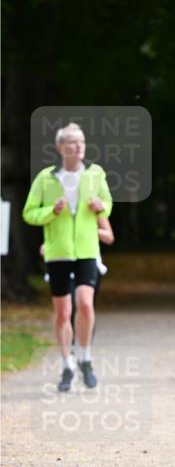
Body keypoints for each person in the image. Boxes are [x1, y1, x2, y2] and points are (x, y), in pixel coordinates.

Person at [23, 122, 112, 392]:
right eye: (73, 142)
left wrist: (101, 207)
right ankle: (67, 364)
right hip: (58, 252)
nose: (79, 146)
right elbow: (29, 213)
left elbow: (107, 205)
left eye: (82, 142)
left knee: (85, 303)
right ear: (61, 148)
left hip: (86, 250)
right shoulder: (46, 178)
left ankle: (85, 357)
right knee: (63, 312)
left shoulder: (95, 174)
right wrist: (52, 211)